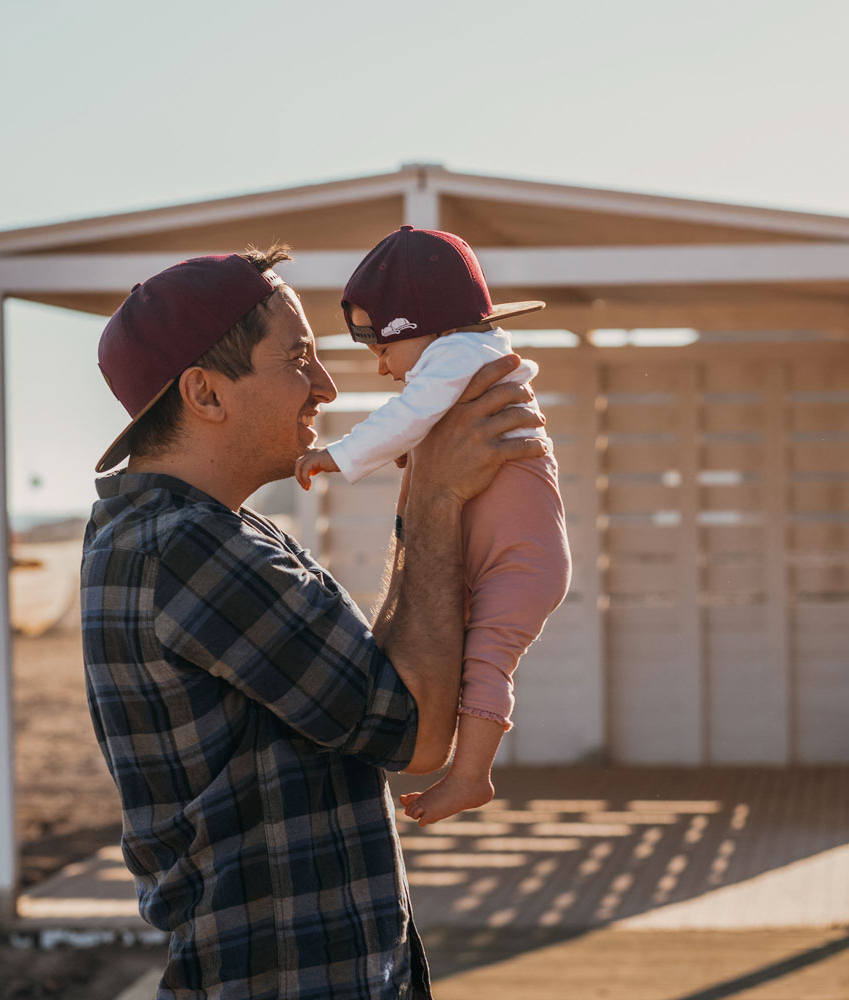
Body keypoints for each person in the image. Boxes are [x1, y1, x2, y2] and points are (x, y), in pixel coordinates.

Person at [80, 245, 550, 999]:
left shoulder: (210, 536)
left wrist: (432, 482)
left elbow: (382, 691)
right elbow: (418, 732)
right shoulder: (187, 551)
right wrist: (435, 492)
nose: (327, 387)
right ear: (205, 393)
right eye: (299, 358)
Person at [295, 227, 572, 826]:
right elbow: (423, 428)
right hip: (511, 547)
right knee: (475, 653)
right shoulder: (467, 355)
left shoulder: (455, 355)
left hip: (518, 555)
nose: (379, 364)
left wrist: (337, 455)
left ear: (416, 322)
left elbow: (409, 415)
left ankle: (472, 775)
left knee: (486, 657)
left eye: (376, 340)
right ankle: (468, 770)